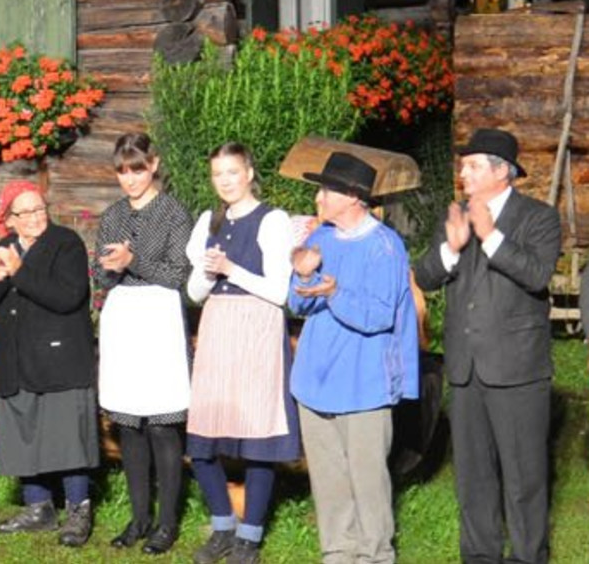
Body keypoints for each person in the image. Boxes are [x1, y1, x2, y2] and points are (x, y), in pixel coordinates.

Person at [413, 128, 560, 564]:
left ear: (503, 172)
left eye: (473, 165)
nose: (463, 173)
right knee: (473, 476)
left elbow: (536, 275)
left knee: (524, 476)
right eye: (463, 165)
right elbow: (423, 275)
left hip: (516, 369)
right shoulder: (456, 215)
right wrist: (452, 249)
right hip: (466, 368)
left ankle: (528, 556)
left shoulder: (539, 217)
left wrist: (491, 235)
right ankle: (480, 555)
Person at [287, 151, 420, 564]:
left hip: (363, 384)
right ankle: (338, 552)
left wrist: (334, 293)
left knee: (367, 480)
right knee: (328, 480)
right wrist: (304, 275)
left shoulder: (385, 246)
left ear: (351, 196)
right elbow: (296, 304)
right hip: (315, 380)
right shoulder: (319, 239)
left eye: (325, 191)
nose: (318, 199)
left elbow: (379, 315)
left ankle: (375, 554)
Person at [184, 143, 299, 564]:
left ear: (249, 172)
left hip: (258, 327)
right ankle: (221, 526)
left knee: (257, 437)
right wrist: (207, 271)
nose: (226, 181)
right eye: (218, 175)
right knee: (202, 437)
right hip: (216, 325)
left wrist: (233, 270)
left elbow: (280, 291)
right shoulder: (206, 221)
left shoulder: (272, 220)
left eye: (233, 172)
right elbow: (194, 293)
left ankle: (249, 537)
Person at [0, 182, 97, 548]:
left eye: (39, 208)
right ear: (9, 219)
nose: (35, 217)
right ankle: (38, 508)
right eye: (25, 212)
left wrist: (20, 271)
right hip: (15, 356)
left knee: (67, 437)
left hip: (58, 357)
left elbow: (68, 297)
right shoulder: (3, 248)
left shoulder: (66, 243)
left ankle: (78, 509)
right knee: (23, 432)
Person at [94, 133, 192, 555]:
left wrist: (135, 261)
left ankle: (167, 523)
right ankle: (139, 517)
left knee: (162, 424)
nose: (130, 178)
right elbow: (100, 276)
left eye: (137, 169)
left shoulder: (173, 212)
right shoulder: (112, 215)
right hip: (123, 317)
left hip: (159, 316)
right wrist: (109, 267)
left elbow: (179, 275)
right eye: (122, 171)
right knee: (129, 424)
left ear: (152, 165)